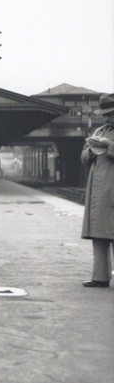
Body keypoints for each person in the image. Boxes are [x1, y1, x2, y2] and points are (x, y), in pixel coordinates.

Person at [80, 93, 114, 288]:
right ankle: (99, 276)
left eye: (110, 114)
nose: (107, 118)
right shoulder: (100, 130)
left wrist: (108, 146)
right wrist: (90, 151)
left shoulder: (104, 134)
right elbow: (84, 157)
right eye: (105, 115)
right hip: (99, 190)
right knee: (100, 233)